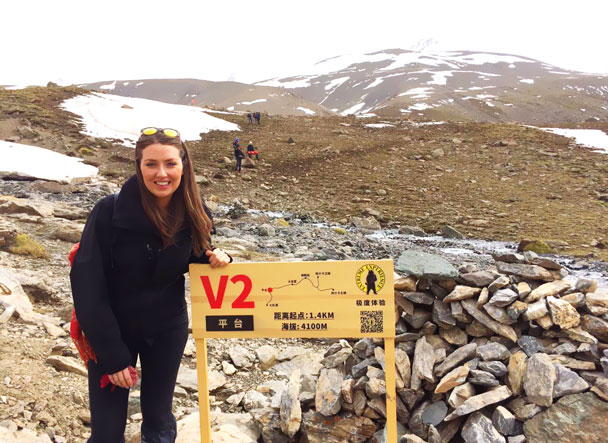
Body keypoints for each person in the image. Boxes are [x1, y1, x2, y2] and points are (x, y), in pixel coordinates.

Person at [70, 127, 231, 442]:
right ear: (138, 165)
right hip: (114, 331)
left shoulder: (195, 213)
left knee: (158, 420)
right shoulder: (108, 212)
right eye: (151, 164)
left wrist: (218, 257)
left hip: (166, 329)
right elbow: (87, 283)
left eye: (170, 163)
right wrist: (113, 355)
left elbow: (195, 256)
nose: (162, 173)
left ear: (183, 165)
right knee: (107, 429)